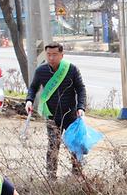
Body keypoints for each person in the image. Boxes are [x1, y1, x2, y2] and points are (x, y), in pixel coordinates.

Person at [25, 43, 87, 179]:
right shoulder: (41, 71)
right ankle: (51, 177)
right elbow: (33, 87)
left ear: (61, 55)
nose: (51, 58)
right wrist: (29, 100)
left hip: (70, 115)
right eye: (49, 55)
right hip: (52, 115)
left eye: (54, 55)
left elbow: (81, 89)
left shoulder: (71, 69)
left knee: (75, 145)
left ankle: (76, 176)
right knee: (53, 145)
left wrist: (81, 107)